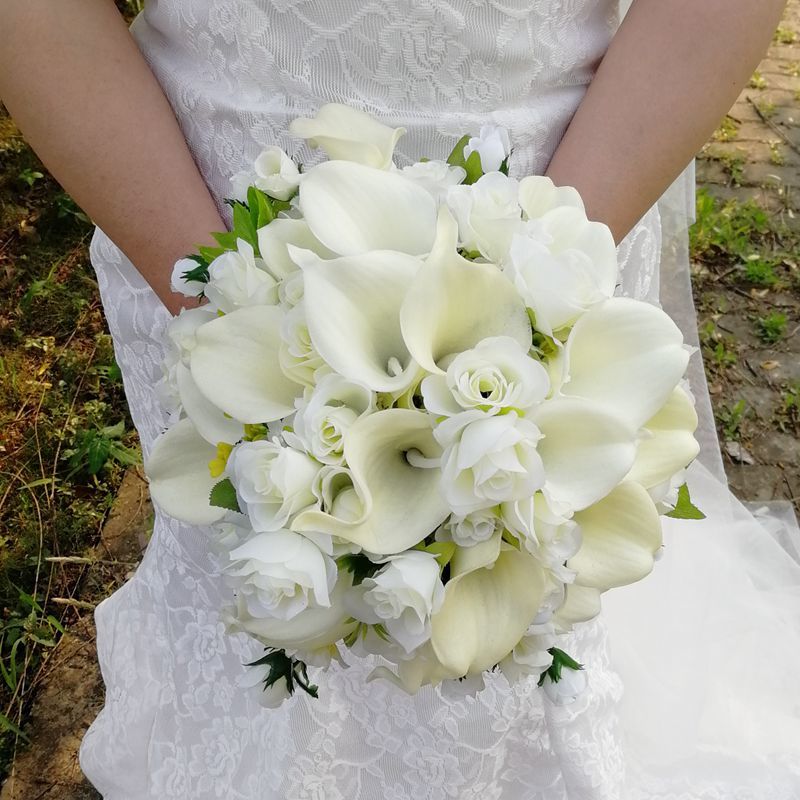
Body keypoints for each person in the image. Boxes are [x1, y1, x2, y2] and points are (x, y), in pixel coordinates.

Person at [1, 1, 798, 797]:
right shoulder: (217, 284)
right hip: (200, 218)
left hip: (572, 192)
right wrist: (226, 300)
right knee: (251, 583)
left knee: (535, 610)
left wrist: (535, 287)